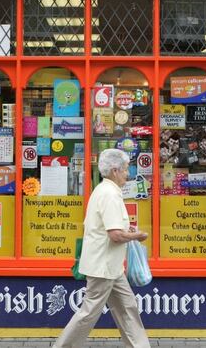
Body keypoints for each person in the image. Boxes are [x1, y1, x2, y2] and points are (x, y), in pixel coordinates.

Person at [53, 148, 150, 348]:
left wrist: (127, 230)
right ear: (115, 171)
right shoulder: (110, 195)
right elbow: (115, 235)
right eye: (125, 169)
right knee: (88, 312)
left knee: (127, 307)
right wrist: (138, 236)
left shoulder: (103, 190)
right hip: (103, 267)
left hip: (111, 266)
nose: (128, 173)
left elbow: (108, 228)